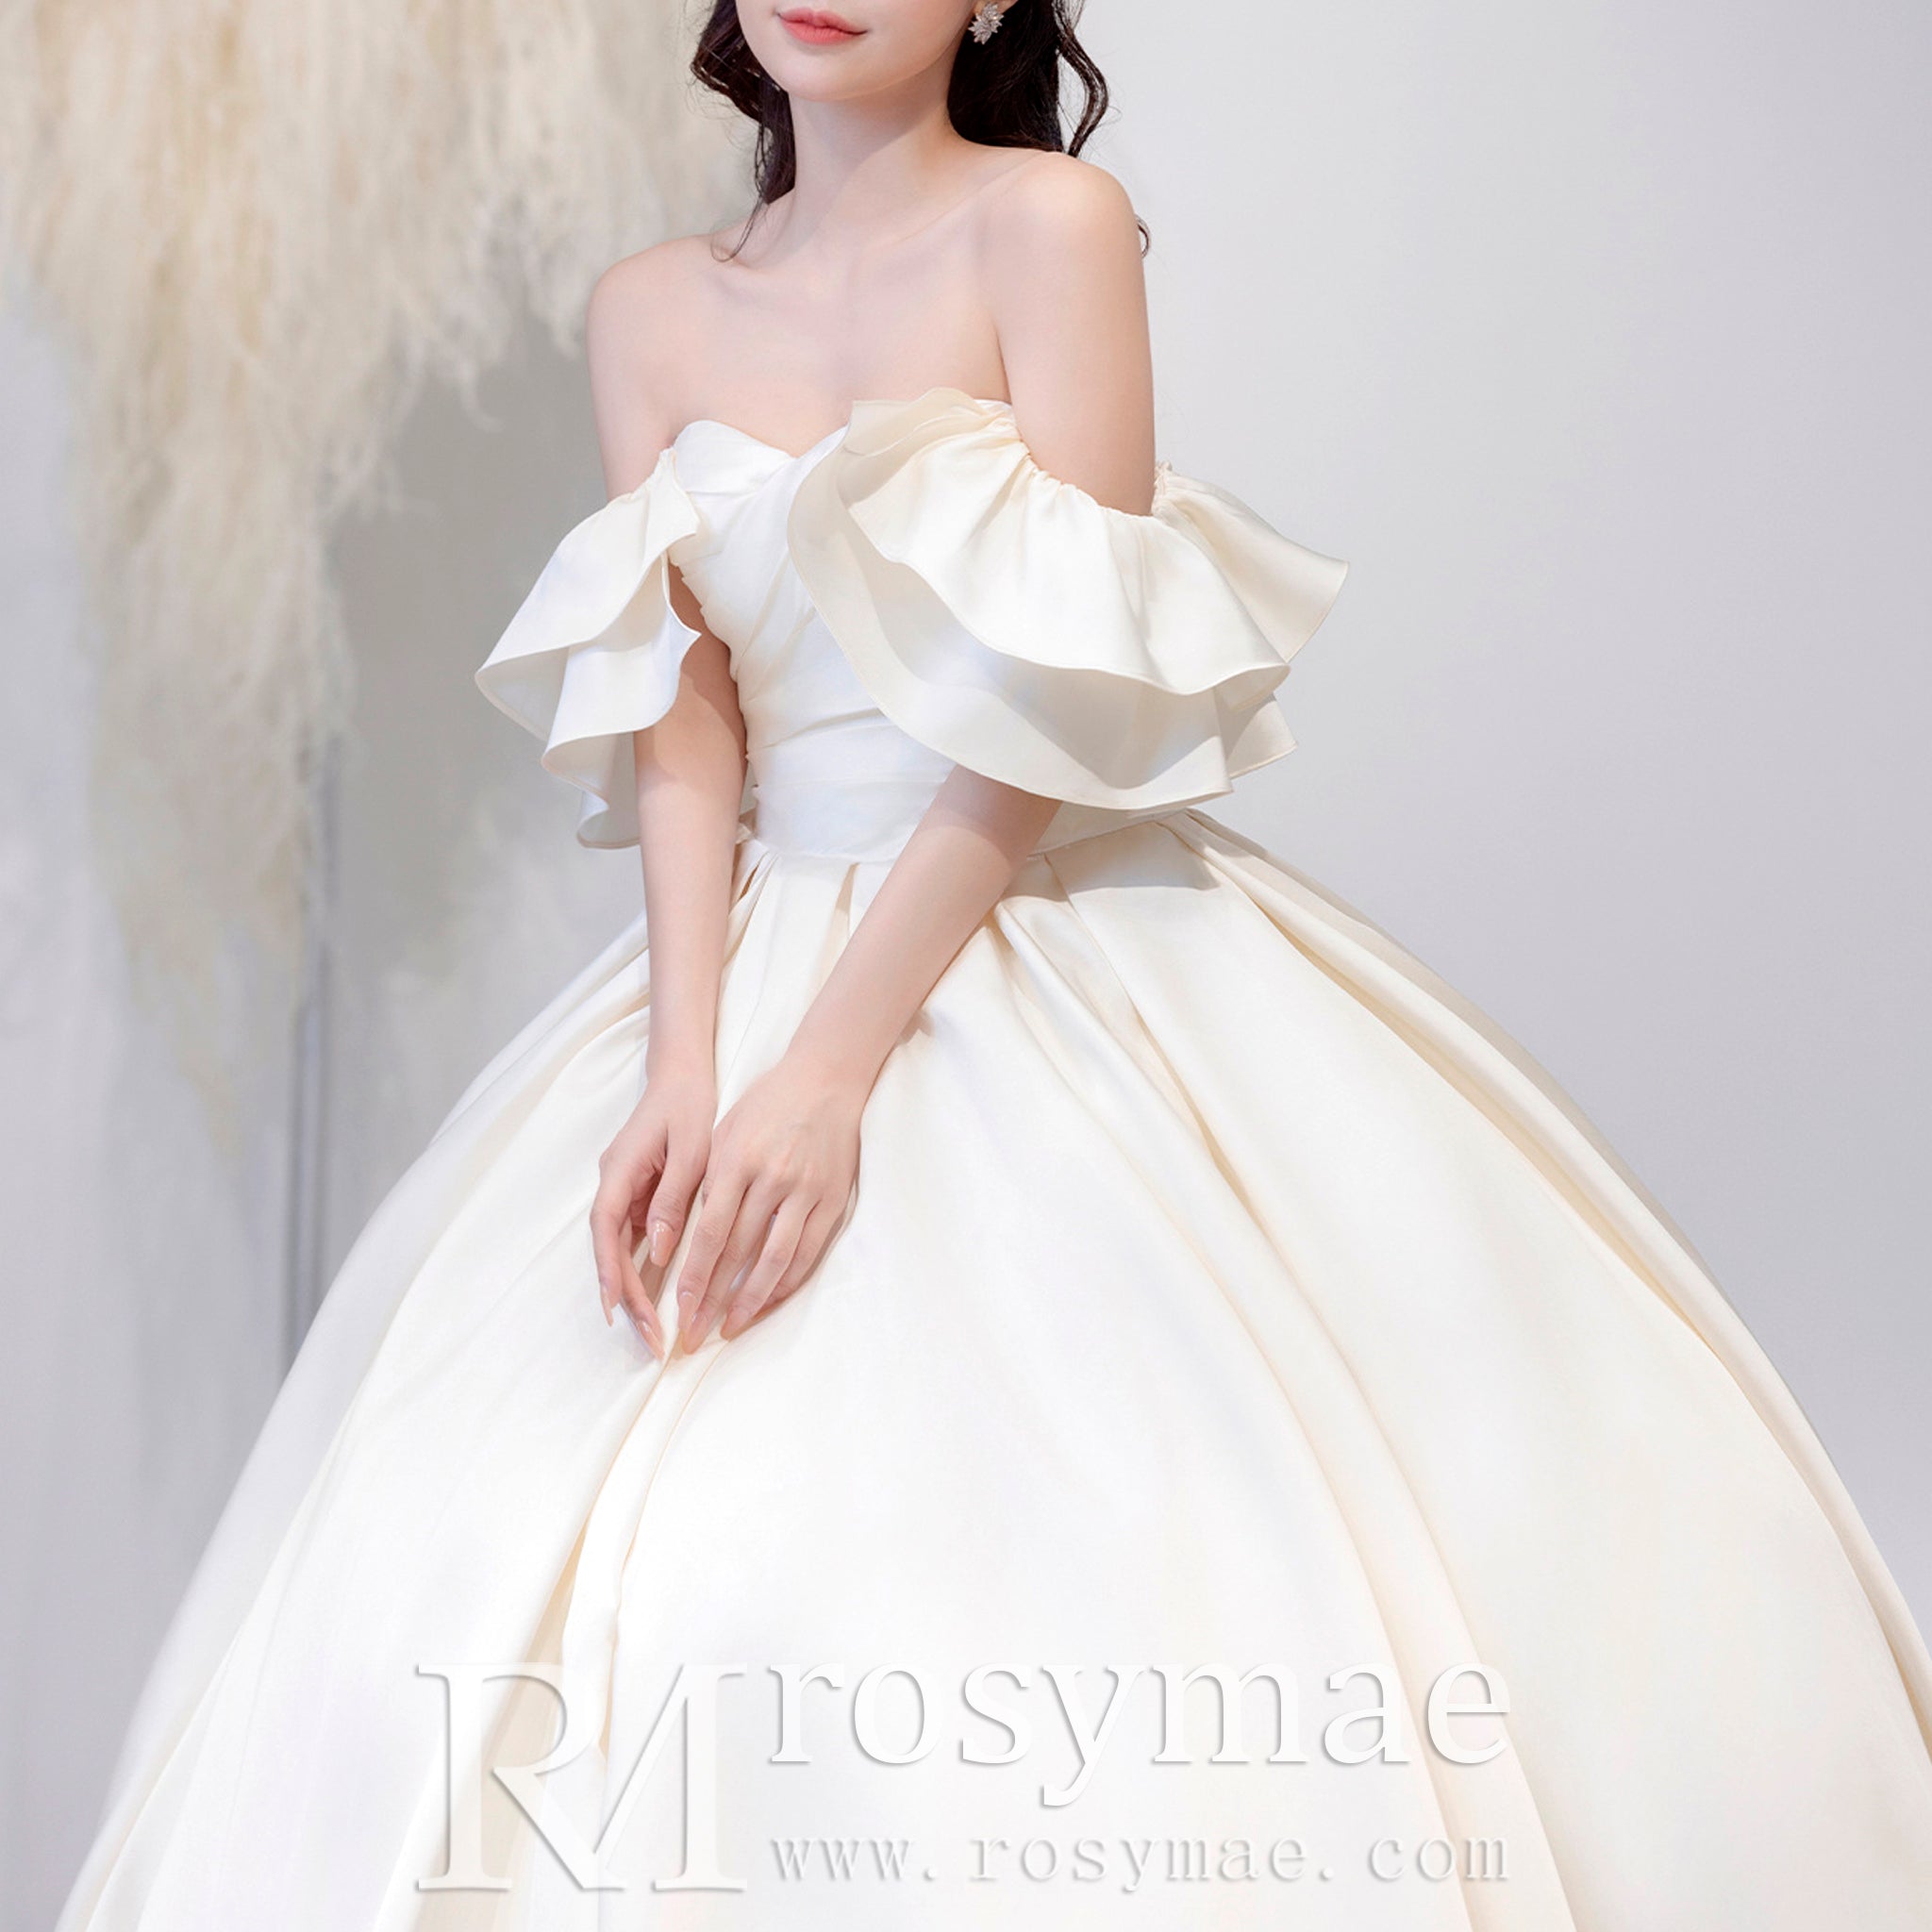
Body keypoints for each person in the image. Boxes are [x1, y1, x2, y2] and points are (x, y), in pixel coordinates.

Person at [58, 2, 1932, 1926]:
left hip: (1027, 910)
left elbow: (1062, 690)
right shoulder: (648, 310)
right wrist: (689, 1065)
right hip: (753, 952)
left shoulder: (1048, 226)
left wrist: (826, 1071)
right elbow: (685, 713)